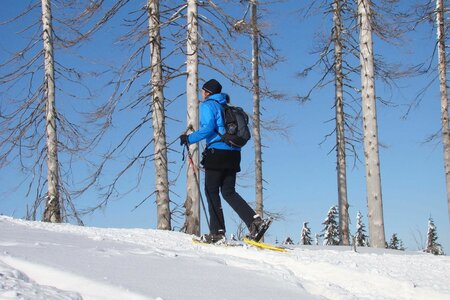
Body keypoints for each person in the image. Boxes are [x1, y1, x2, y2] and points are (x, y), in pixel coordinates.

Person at [180, 79, 264, 243]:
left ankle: (217, 232)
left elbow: (208, 128)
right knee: (228, 192)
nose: (202, 94)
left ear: (208, 92)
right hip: (234, 154)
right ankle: (254, 222)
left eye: (203, 91)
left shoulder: (208, 105)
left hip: (216, 153)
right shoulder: (228, 107)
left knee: (211, 190)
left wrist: (189, 138)